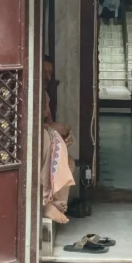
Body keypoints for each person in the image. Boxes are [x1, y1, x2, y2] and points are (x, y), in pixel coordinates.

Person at [42, 56, 75, 224]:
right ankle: (43, 205)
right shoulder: (25, 91)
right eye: (44, 71)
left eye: (50, 72)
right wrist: (53, 129)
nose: (47, 76)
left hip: (45, 140)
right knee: (49, 138)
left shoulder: (45, 96)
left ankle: (57, 205)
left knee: (69, 162)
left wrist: (64, 135)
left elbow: (48, 123)